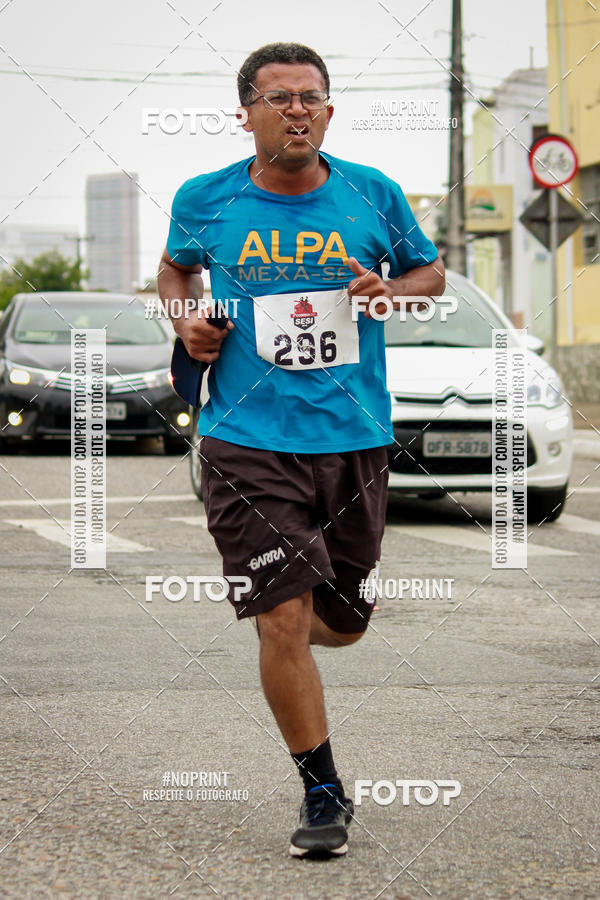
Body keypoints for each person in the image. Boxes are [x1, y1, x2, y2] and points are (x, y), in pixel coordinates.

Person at [158, 41, 445, 859]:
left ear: (328, 111)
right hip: (245, 438)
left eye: (309, 97)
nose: (296, 110)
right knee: (283, 615)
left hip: (353, 436)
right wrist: (184, 319)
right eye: (278, 97)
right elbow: (176, 273)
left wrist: (391, 291)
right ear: (245, 112)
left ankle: (287, 609)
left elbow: (431, 277)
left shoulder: (373, 193)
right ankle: (322, 791)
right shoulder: (206, 198)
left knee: (343, 625)